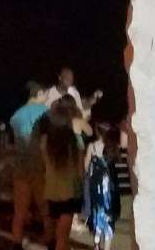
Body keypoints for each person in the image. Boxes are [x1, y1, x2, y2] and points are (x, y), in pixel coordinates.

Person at [9, 81, 52, 245]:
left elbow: (17, 144)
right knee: (45, 208)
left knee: (19, 210)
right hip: (40, 167)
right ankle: (50, 239)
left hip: (21, 167)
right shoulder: (46, 112)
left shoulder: (16, 116)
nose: (47, 97)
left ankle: (16, 241)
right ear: (39, 93)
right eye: (45, 94)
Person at [41, 104, 86, 250]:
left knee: (55, 235)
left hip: (51, 192)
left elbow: (43, 165)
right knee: (62, 236)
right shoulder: (73, 141)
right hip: (69, 192)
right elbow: (80, 170)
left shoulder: (45, 143)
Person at [85, 126, 122, 250]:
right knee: (109, 216)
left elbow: (86, 167)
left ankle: (96, 243)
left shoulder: (92, 146)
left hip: (96, 187)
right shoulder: (113, 146)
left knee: (97, 212)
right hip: (109, 187)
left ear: (97, 132)